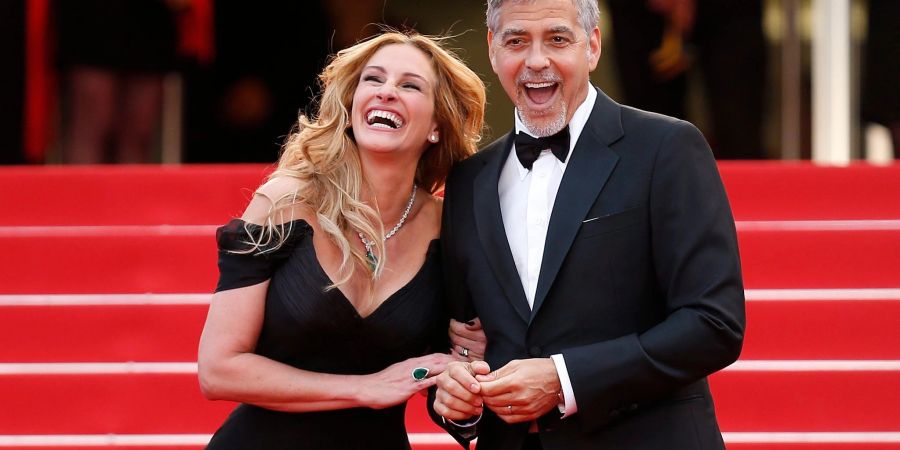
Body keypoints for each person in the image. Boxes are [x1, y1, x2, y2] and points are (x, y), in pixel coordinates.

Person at [431, 1, 745, 449]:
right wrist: (460, 398)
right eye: (516, 41)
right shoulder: (468, 180)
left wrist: (564, 379)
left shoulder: (667, 148)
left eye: (557, 39)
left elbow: (714, 323)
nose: (536, 60)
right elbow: (465, 340)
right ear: (492, 50)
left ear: (592, 46)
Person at [197, 30, 487, 449]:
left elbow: (452, 386)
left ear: (437, 127)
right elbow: (218, 369)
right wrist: (364, 388)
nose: (387, 92)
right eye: (373, 80)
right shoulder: (287, 200)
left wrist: (464, 377)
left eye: (409, 85)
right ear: (352, 106)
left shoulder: (452, 228)